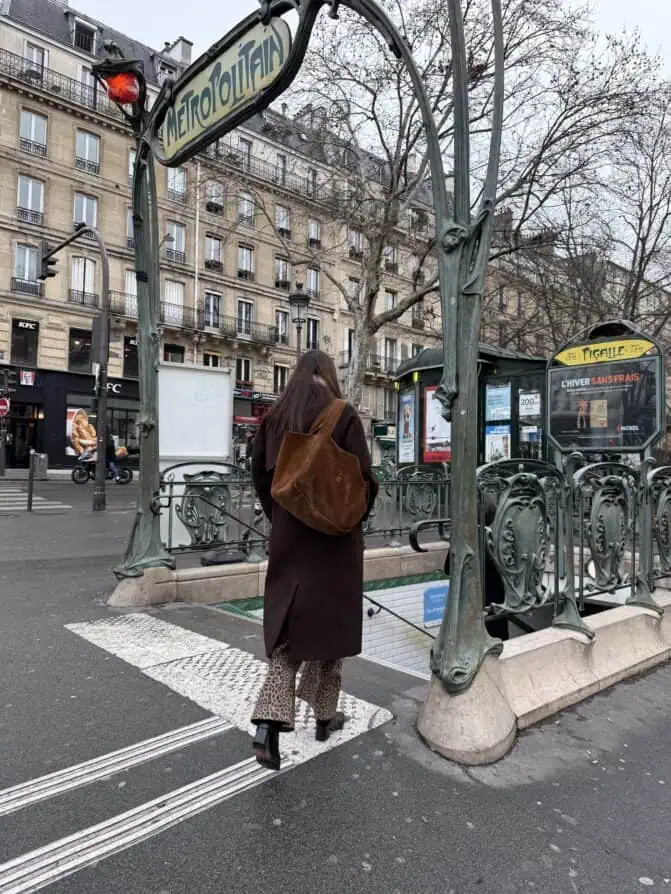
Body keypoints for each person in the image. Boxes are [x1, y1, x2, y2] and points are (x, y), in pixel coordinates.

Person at [250, 350, 378, 771]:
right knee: (332, 631)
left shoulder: (274, 418)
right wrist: (350, 517)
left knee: (289, 633)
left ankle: (268, 724)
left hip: (290, 539)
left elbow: (260, 476)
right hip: (335, 542)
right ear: (329, 375)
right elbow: (364, 479)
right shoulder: (342, 414)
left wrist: (282, 519)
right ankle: (325, 716)